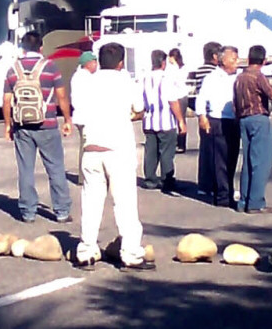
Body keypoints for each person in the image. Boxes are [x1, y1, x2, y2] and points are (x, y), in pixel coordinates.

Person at [75, 42, 155, 271]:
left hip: (91, 149)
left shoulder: (87, 82)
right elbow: (139, 107)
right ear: (121, 63)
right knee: (125, 203)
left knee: (90, 202)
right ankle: (130, 253)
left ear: (99, 61)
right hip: (118, 149)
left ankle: (86, 250)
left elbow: (78, 117)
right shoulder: (126, 81)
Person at [2, 31, 73, 224]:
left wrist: (8, 125)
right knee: (55, 168)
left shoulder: (13, 69)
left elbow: (7, 101)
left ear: (23, 48)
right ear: (41, 47)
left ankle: (28, 212)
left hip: (22, 126)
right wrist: (67, 119)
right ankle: (61, 211)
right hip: (47, 124)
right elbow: (61, 96)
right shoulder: (50, 67)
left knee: (25, 169)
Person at [233, 45, 272, 214]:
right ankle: (256, 202)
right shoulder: (257, 76)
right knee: (261, 162)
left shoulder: (240, 77)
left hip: (244, 119)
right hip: (259, 119)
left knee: (248, 161)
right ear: (263, 60)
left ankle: (244, 200)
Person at [195, 46, 241, 207]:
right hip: (217, 120)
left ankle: (227, 189)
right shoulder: (211, 78)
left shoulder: (238, 76)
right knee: (219, 160)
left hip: (234, 121)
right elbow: (201, 99)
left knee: (232, 158)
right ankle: (222, 196)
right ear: (223, 60)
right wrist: (202, 117)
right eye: (233, 58)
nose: (236, 62)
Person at [141, 50, 187, 192]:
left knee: (151, 151)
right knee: (167, 152)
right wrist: (181, 121)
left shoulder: (144, 77)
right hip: (166, 121)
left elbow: (139, 103)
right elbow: (173, 101)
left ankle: (150, 180)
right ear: (163, 62)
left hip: (149, 120)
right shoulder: (166, 78)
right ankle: (167, 180)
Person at [186, 41, 221, 195]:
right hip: (211, 113)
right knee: (216, 152)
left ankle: (204, 185)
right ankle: (214, 185)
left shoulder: (200, 70)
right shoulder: (214, 72)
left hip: (202, 114)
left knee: (205, 151)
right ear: (215, 56)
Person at [70, 51, 98, 185]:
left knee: (85, 146)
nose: (96, 64)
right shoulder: (87, 78)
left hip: (81, 116)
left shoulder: (77, 76)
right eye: (94, 61)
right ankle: (84, 177)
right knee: (86, 147)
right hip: (86, 117)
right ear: (88, 63)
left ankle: (85, 175)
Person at [167, 48, 189, 153]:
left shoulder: (181, 68)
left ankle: (181, 144)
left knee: (181, 119)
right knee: (174, 120)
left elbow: (179, 82)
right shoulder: (171, 68)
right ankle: (175, 142)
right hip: (175, 95)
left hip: (180, 95)